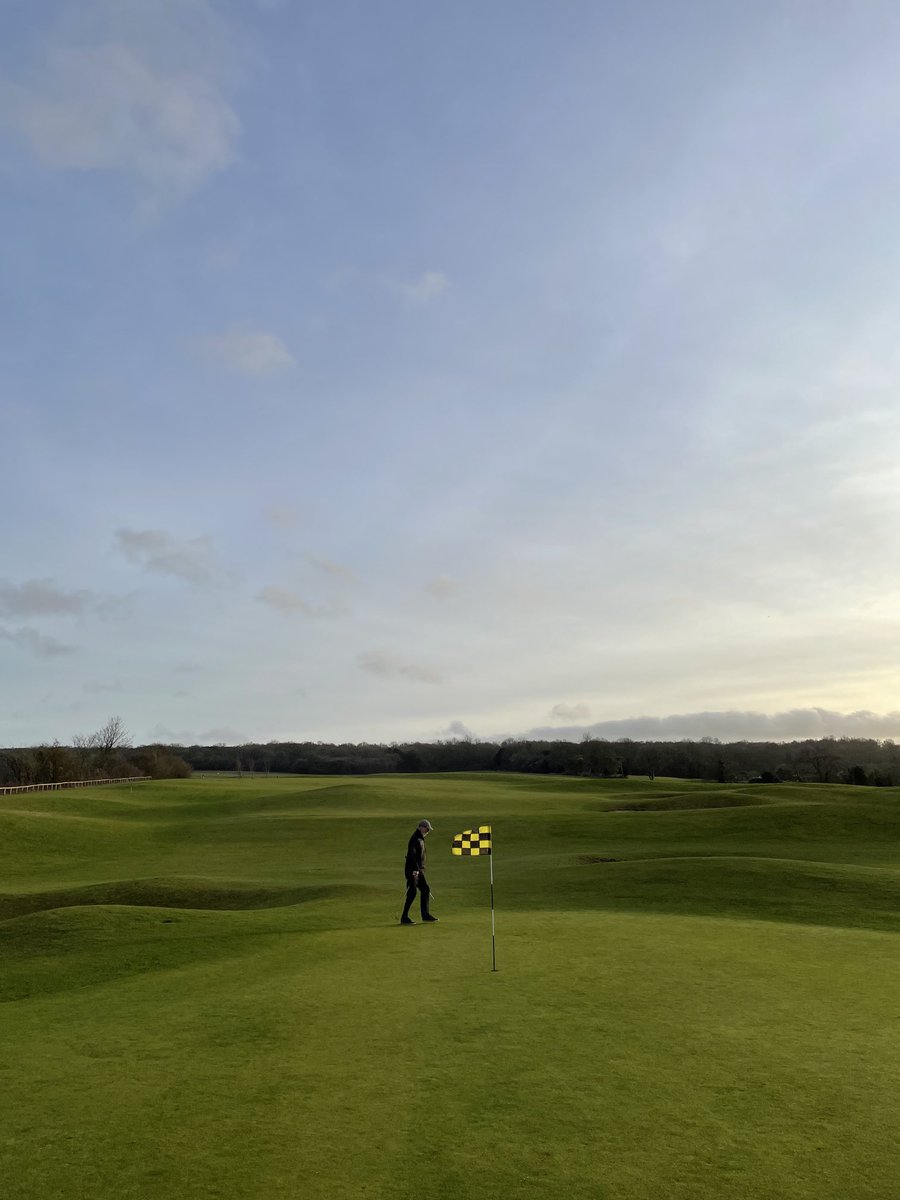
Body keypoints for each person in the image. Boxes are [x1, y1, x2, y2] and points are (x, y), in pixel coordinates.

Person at [401, 819, 438, 925]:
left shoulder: (420, 838)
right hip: (413, 871)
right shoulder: (415, 839)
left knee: (425, 890)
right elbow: (412, 856)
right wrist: (416, 870)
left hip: (418, 870)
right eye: (426, 829)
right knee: (412, 893)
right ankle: (404, 917)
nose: (428, 831)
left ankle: (425, 915)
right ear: (421, 827)